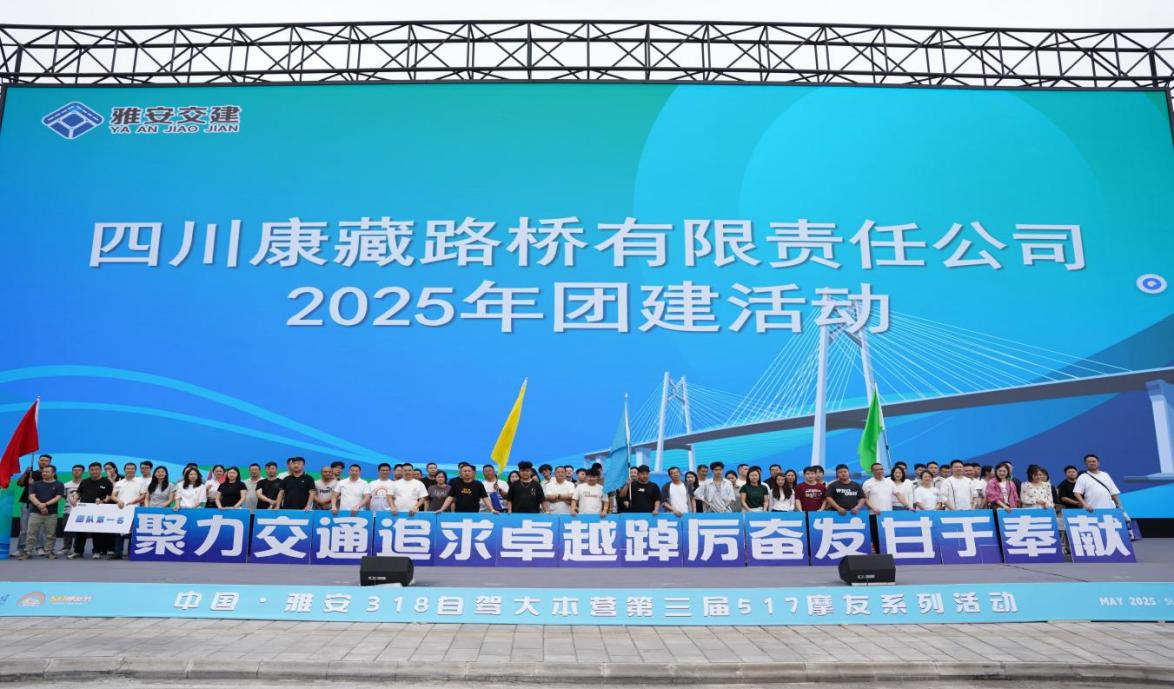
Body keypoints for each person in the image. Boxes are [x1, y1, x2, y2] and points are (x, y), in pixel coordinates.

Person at [69, 462, 114, 560]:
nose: (94, 471)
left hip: (99, 510)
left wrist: (103, 501)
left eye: (96, 469)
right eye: (92, 470)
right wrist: (74, 499)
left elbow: (110, 495)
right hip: (84, 510)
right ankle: (78, 552)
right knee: (80, 532)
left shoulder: (106, 482)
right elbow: (79, 493)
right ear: (89, 471)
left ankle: (96, 552)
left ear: (100, 470)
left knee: (97, 532)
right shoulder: (85, 481)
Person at [20, 464, 64, 560]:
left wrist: (45, 504)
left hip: (51, 513)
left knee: (50, 534)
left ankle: (49, 551)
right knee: (31, 533)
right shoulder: (36, 483)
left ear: (53, 473)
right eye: (43, 472)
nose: (44, 473)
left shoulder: (59, 484)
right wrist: (40, 505)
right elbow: (31, 496)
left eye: (47, 472)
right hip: (35, 512)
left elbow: (58, 497)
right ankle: (28, 551)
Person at [16, 454, 54, 556]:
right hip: (27, 503)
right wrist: (26, 473)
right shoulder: (31, 473)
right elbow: (19, 483)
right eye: (41, 460)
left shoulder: (51, 475)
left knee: (40, 529)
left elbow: (51, 488)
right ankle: (21, 548)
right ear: (38, 461)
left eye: (46, 461)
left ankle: (39, 548)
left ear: (49, 462)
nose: (43, 462)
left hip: (41, 505)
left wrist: (34, 484)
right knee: (24, 529)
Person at [108, 462, 145, 559]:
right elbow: (113, 496)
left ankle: (130, 552)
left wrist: (135, 500)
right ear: (124, 470)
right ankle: (118, 553)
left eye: (132, 468)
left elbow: (143, 495)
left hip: (135, 509)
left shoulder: (140, 481)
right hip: (121, 509)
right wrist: (118, 501)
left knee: (133, 532)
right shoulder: (119, 483)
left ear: (135, 470)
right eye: (128, 468)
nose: (130, 470)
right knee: (119, 532)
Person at [61, 464, 84, 556]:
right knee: (67, 530)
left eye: (79, 470)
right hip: (68, 510)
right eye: (74, 470)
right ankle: (66, 548)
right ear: (72, 472)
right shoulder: (66, 484)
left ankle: (77, 550)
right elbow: (64, 496)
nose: (76, 472)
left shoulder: (85, 483)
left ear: (82, 472)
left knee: (80, 531)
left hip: (82, 511)